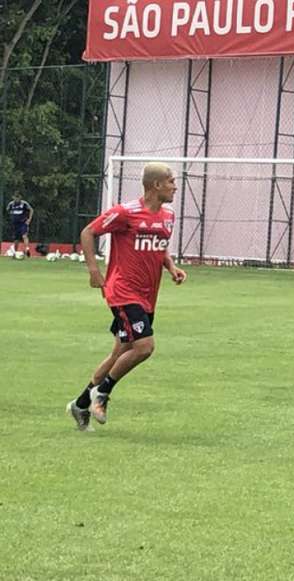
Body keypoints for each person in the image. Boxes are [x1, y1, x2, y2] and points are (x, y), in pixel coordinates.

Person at [66, 162, 187, 431]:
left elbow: (159, 248)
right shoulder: (126, 212)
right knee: (145, 346)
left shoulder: (168, 216)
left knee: (121, 352)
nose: (175, 187)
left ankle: (81, 403)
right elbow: (88, 232)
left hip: (147, 295)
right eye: (171, 182)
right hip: (123, 291)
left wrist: (171, 267)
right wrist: (94, 271)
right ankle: (103, 393)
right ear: (156, 185)